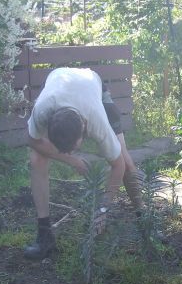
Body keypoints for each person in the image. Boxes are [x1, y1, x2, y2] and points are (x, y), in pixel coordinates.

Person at [24, 67, 143, 260]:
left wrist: (103, 208)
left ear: (84, 130)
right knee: (37, 157)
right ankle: (44, 235)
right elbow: (31, 140)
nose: (70, 152)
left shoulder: (97, 120)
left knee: (126, 161)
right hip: (59, 81)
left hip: (94, 86)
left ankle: (145, 220)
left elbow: (117, 165)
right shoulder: (43, 110)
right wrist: (72, 160)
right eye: (64, 149)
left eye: (73, 148)